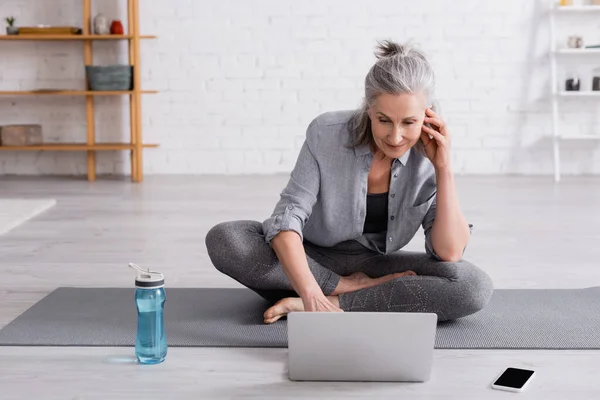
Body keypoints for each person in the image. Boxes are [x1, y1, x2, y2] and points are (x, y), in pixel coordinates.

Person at [205, 39, 494, 324]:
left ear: (428, 115)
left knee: (472, 285)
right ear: (368, 108)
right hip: (312, 261)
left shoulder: (429, 153)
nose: (395, 137)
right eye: (383, 120)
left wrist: (443, 167)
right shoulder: (326, 133)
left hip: (376, 266)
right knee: (227, 239)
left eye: (408, 122)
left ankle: (331, 303)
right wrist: (316, 288)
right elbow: (286, 220)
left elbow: (449, 252)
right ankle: (339, 291)